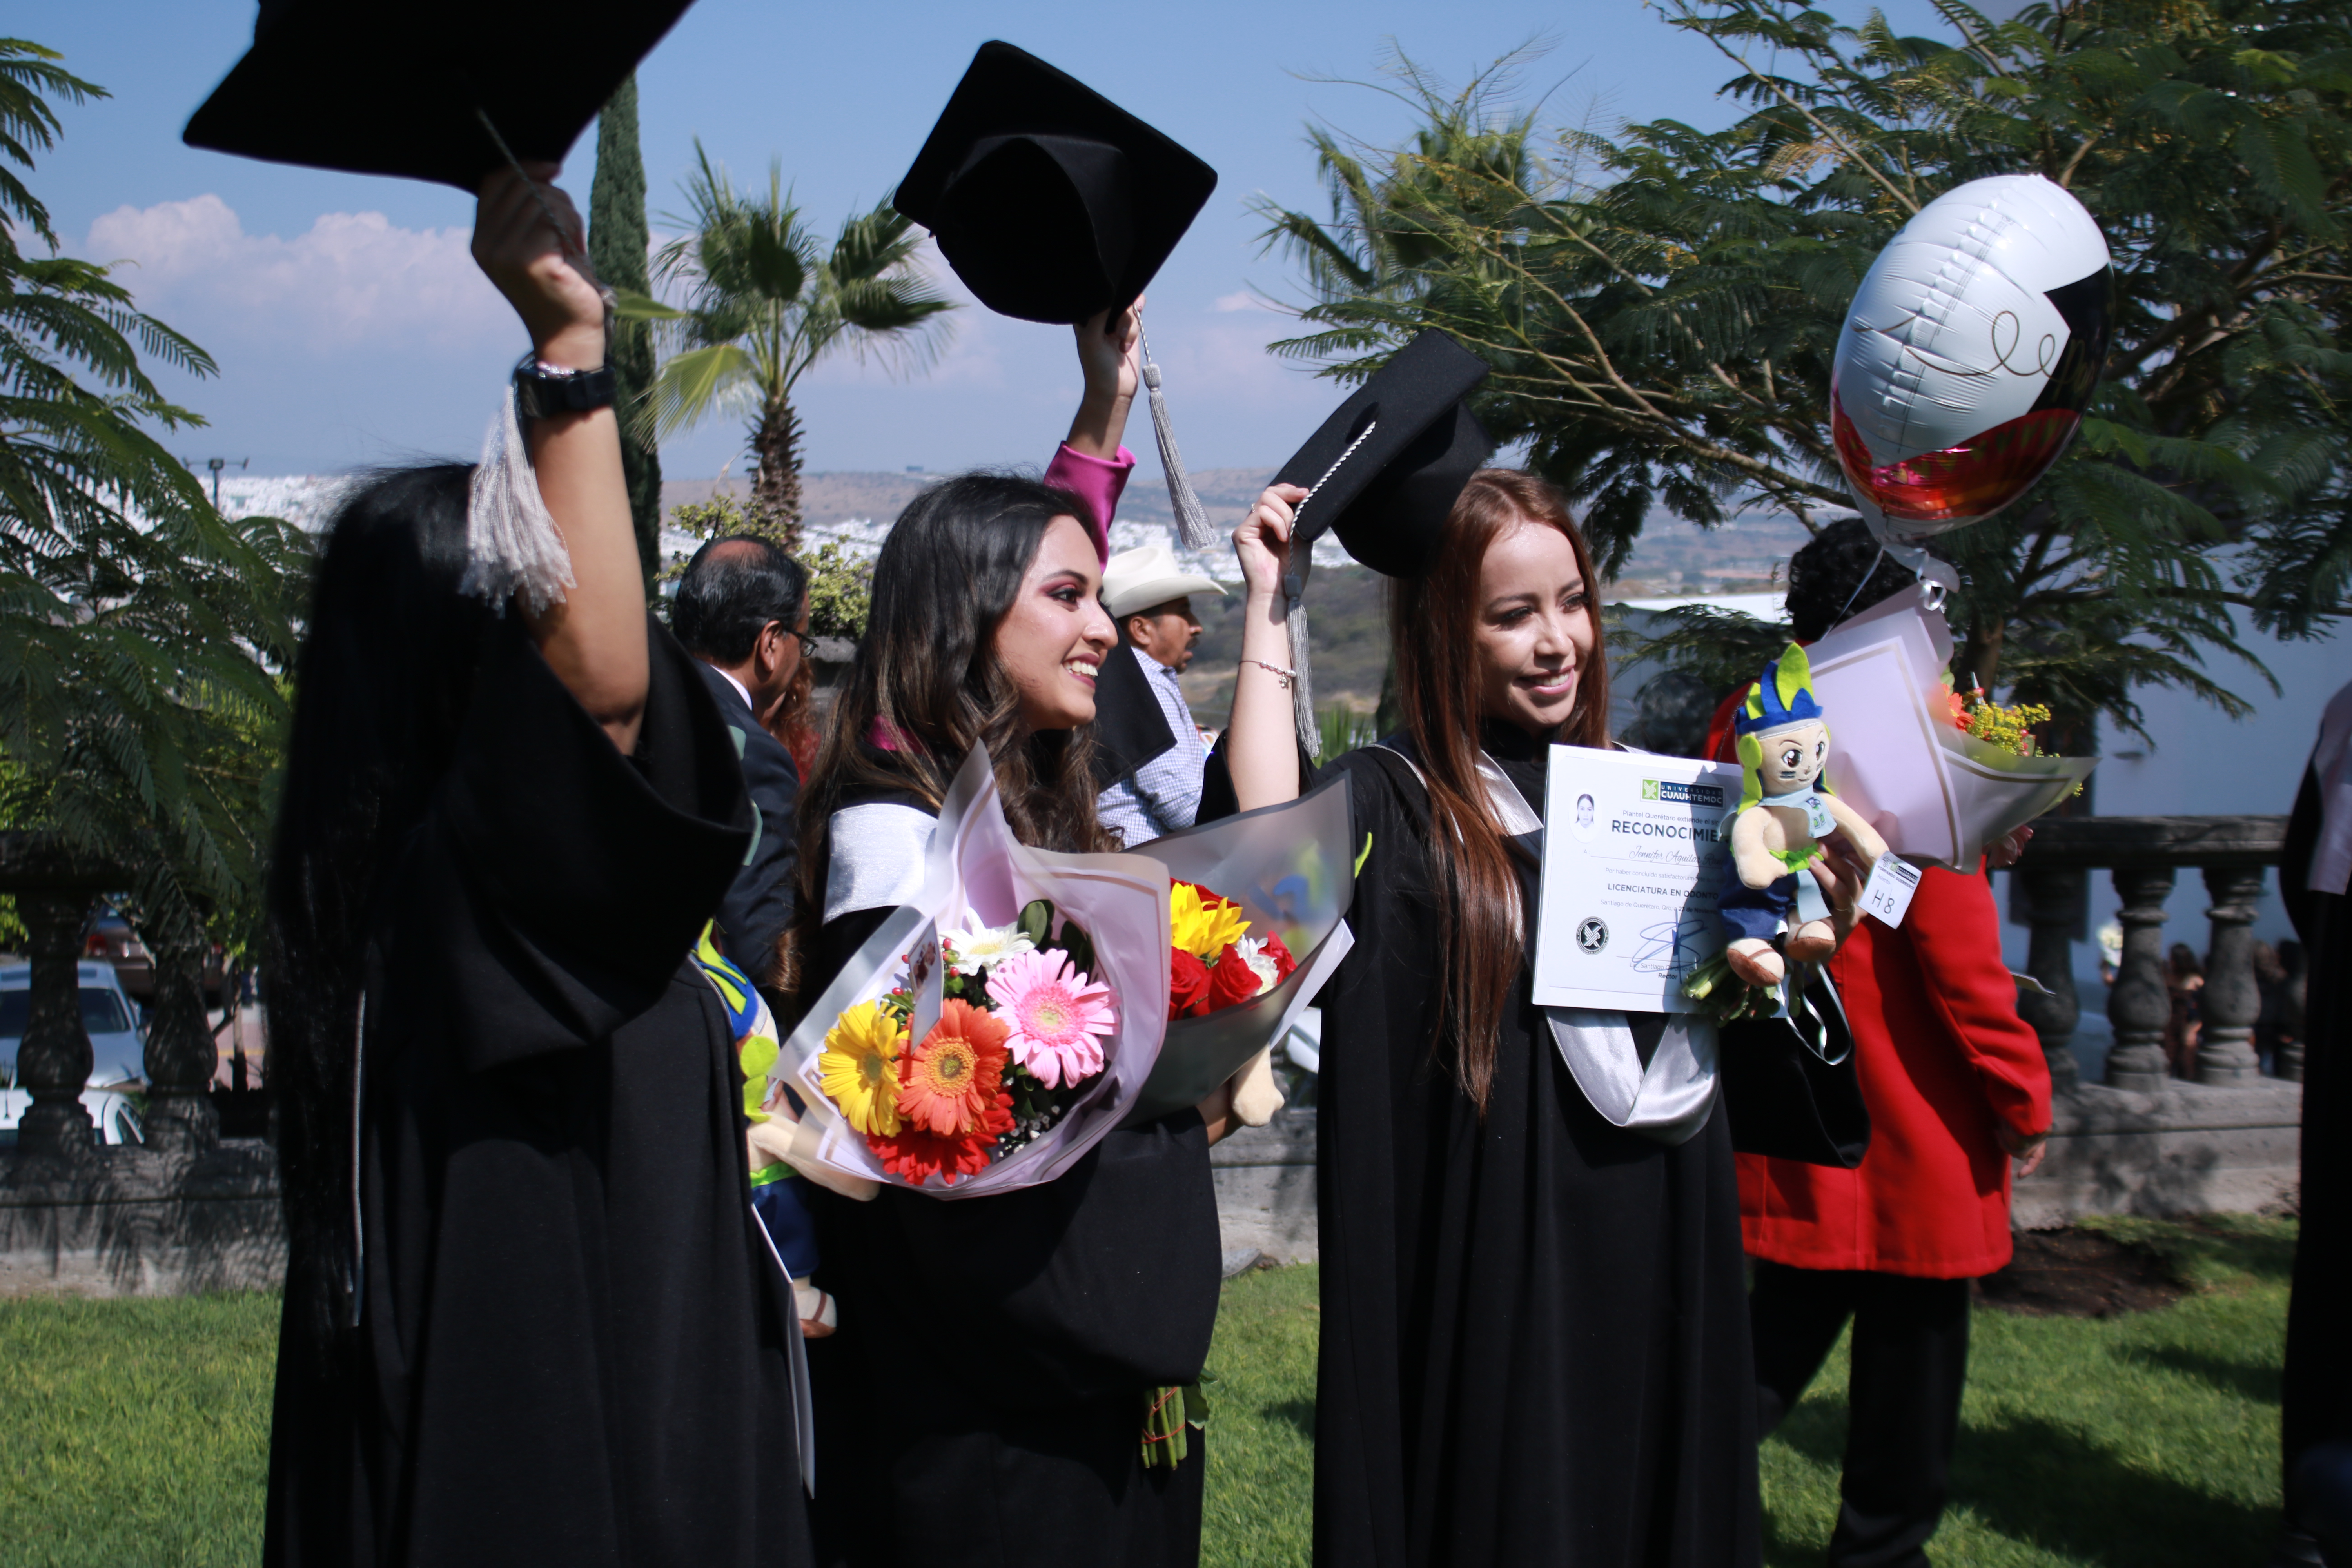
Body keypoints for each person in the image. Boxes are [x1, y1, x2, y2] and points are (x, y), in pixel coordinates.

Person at [261, 166, 811, 1566]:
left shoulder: (444, 939)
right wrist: (568, 358)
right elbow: (614, 703)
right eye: (522, 615)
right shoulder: (475, 918)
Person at [1220, 457, 1864, 1565]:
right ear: (1444, 633)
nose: (1558, 641)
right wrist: (1270, 607)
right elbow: (1267, 850)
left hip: (1658, 1227)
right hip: (1499, 1254)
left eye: (1573, 604)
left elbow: (1731, 1024)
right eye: (1514, 616)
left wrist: (1809, 952)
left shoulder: (1657, 802)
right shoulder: (1402, 802)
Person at [788, 305, 1227, 1568]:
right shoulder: (891, 816)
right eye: (1071, 598)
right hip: (982, 1397)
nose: (1103, 625)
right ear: (968, 618)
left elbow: (1017, 567)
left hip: (1064, 1358)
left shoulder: (1009, 785)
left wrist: (1101, 412)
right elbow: (942, 1127)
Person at [1718, 525, 2052, 1568]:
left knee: (1770, 1345)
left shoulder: (1751, 713)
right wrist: (2022, 1095)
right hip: (1914, 1112)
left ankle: (1651, 1492)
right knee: (1909, 1382)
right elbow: (1956, 956)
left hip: (1794, 1081)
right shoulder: (1914, 727)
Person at [673, 535, 811, 987]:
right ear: (771, 642)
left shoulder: (633, 706)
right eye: (802, 639)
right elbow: (757, 947)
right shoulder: (749, 752)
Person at [1093, 544, 1225, 847]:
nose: (1196, 626)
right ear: (1141, 630)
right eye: (1183, 613)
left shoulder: (1129, 678)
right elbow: (1180, 804)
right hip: (1151, 867)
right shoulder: (1144, 682)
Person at [2166, 941, 2207, 1079]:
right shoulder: (2169, 977)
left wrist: (2194, 1029)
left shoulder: (2195, 980)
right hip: (2169, 1024)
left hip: (2187, 1023)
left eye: (2173, 959)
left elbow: (2205, 1007)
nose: (2170, 962)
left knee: (2186, 1063)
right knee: (2167, 1060)